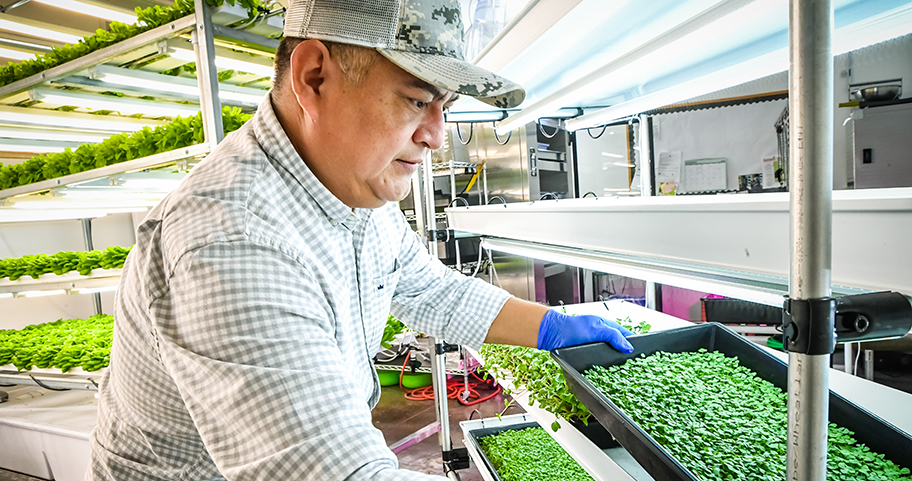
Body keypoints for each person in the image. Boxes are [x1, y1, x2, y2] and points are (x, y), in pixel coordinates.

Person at [87, 0, 635, 479]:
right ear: (315, 77)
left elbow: (429, 290)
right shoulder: (232, 241)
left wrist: (548, 326)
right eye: (416, 99)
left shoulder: (352, 187)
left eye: (446, 106)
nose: (436, 136)